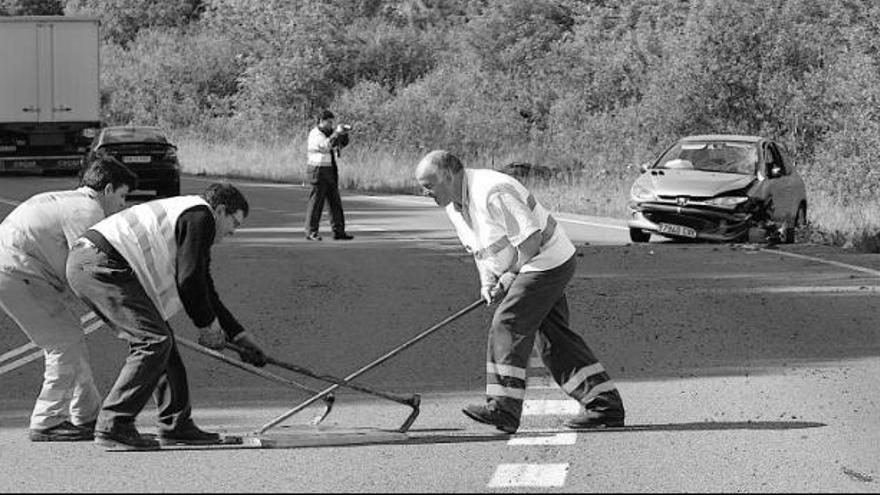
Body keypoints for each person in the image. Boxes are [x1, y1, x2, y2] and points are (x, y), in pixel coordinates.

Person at [414, 150, 625, 434]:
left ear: (448, 176)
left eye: (428, 185)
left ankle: (503, 407)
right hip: (530, 265)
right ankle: (604, 405)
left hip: (544, 261)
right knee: (553, 339)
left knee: (508, 324)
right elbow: (483, 250)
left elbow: (531, 240)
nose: (424, 192)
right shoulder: (455, 206)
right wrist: (488, 282)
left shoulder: (492, 191)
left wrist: (511, 275)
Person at [65, 182, 267, 449]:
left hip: (95, 262)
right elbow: (190, 281)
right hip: (100, 262)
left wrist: (238, 335)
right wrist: (207, 326)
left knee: (162, 341)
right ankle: (114, 424)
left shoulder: (190, 215)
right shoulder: (200, 215)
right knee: (154, 341)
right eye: (234, 223)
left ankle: (176, 426)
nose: (231, 233)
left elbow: (203, 285)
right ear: (219, 210)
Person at [0, 157, 137, 442]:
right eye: (122, 196)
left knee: (72, 339)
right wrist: (124, 313)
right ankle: (48, 421)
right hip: (18, 274)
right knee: (63, 343)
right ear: (108, 189)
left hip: (20, 272)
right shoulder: (88, 211)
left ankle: (87, 416)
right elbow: (88, 269)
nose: (122, 205)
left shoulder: (68, 200)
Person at [304, 109, 354, 241]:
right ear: (321, 121)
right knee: (316, 203)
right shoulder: (315, 134)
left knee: (335, 203)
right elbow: (325, 147)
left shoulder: (330, 133)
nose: (332, 124)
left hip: (330, 170)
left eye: (333, 122)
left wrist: (343, 134)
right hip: (317, 171)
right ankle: (311, 232)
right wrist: (336, 134)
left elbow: (340, 145)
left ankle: (339, 231)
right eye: (329, 122)